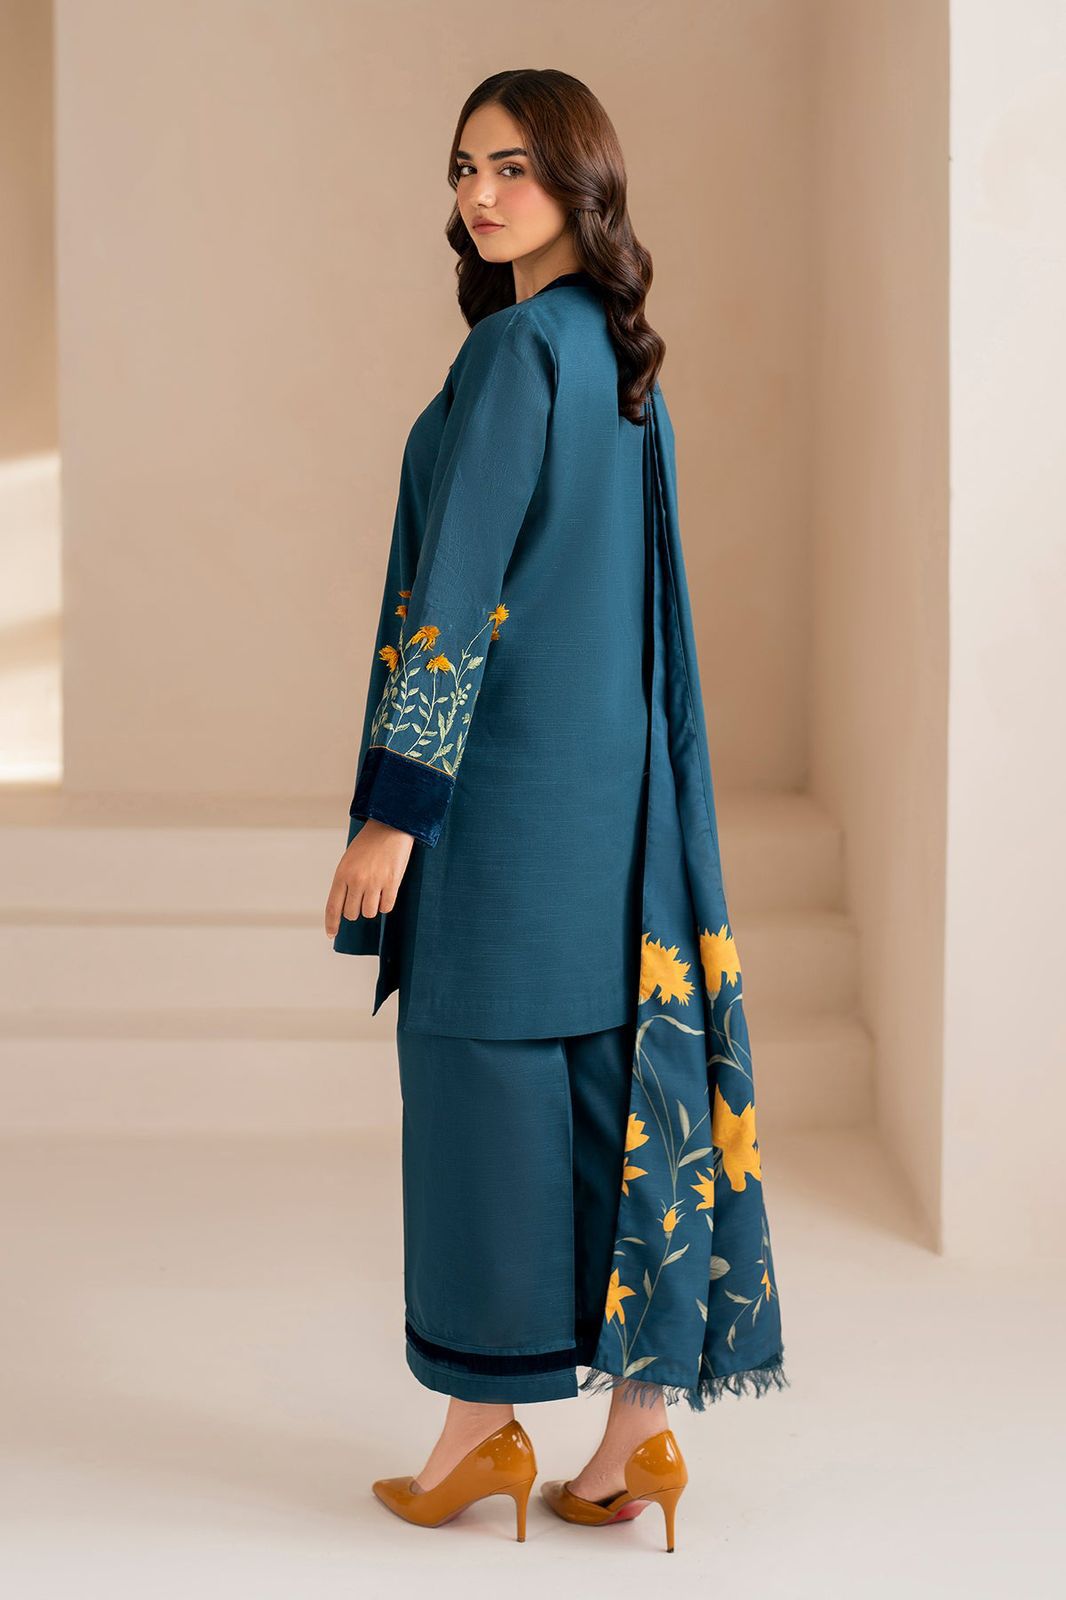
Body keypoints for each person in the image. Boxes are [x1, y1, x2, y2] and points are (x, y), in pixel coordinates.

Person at [324, 69, 788, 1551]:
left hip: (505, 804)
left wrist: (395, 814)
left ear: (578, 181)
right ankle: (637, 1438)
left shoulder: (518, 349)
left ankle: (480, 1434)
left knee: (477, 1095)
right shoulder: (617, 357)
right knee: (605, 1094)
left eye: (512, 166)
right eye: (464, 167)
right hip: (618, 810)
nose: (479, 193)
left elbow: (457, 596)